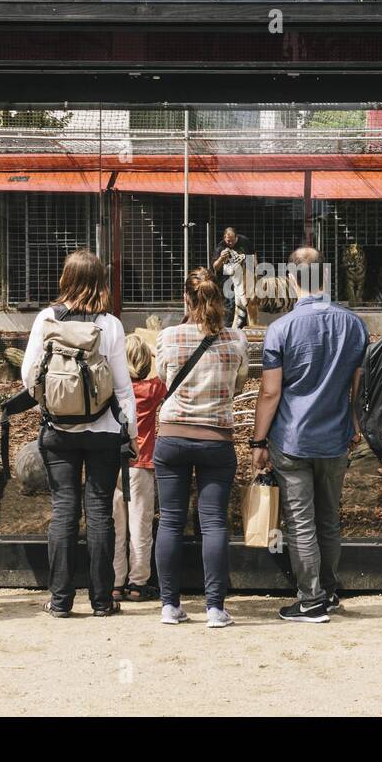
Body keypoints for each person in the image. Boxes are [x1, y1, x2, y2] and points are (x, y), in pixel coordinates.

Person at [251, 247, 369, 622]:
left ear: (290, 279)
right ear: (327, 278)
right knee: (329, 519)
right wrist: (354, 422)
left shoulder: (280, 328)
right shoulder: (354, 324)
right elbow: (357, 384)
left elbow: (270, 392)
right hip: (335, 436)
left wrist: (258, 440)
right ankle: (329, 593)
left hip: (291, 438)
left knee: (300, 520)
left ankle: (310, 600)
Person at [21, 249, 138, 618]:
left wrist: (51, 403)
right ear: (100, 281)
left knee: (64, 510)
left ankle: (60, 600)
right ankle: (103, 600)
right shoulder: (111, 325)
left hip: (58, 431)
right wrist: (130, 431)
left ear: (65, 279)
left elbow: (28, 376)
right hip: (103, 430)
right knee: (100, 510)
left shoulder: (45, 319)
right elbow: (122, 387)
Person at [154, 268, 249, 628]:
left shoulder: (168, 336)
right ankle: (214, 608)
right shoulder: (236, 340)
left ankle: (169, 605)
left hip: (172, 436)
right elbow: (239, 384)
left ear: (185, 300)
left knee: (172, 521)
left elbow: (165, 379)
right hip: (216, 439)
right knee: (213, 522)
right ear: (221, 302)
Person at [117, 334, 166, 602]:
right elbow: (170, 372)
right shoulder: (153, 389)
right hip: (142, 463)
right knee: (141, 525)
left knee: (115, 526)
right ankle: (138, 583)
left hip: (112, 464)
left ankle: (114, 582)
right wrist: (152, 351)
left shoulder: (111, 390)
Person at [212, 227, 253, 329]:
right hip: (228, 280)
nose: (230, 243)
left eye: (232, 241)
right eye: (228, 241)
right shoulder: (221, 247)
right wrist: (221, 258)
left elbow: (253, 256)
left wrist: (254, 272)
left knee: (245, 303)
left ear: (236, 237)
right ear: (224, 238)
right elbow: (215, 267)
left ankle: (243, 329)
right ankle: (229, 329)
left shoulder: (244, 242)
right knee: (231, 304)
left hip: (244, 278)